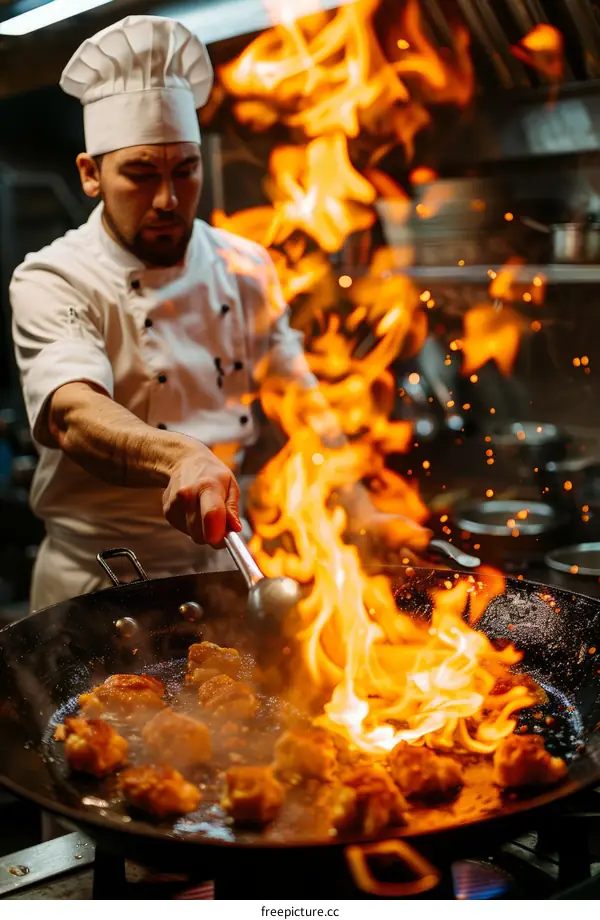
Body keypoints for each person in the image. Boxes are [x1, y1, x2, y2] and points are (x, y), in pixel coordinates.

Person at [10, 15, 430, 612]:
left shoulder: (243, 264)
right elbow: (72, 415)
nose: (167, 199)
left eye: (185, 171)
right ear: (90, 175)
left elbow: (300, 396)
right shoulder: (53, 276)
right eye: (139, 174)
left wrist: (363, 510)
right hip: (100, 585)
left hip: (228, 569)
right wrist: (181, 454)